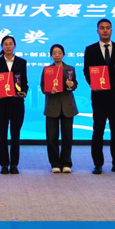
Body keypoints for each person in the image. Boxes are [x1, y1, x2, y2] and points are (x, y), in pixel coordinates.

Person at [83, 19, 115, 175]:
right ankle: (98, 164)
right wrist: (93, 83)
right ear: (97, 31)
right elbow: (86, 70)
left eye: (108, 28)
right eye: (102, 28)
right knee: (98, 131)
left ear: (111, 30)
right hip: (99, 97)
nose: (105, 30)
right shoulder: (90, 49)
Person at [0, 36, 28, 175]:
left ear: (14, 46)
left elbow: (24, 82)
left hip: (17, 102)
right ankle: (4, 164)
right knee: (2, 134)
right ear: (2, 46)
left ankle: (14, 164)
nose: (8, 46)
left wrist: (24, 92)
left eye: (10, 44)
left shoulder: (21, 62)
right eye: (5, 44)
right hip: (1, 102)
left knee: (15, 134)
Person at [41, 44, 78, 174]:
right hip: (52, 105)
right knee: (52, 137)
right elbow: (43, 87)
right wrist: (49, 91)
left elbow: (75, 84)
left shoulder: (70, 69)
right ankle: (55, 163)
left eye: (59, 52)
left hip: (67, 105)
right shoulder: (47, 70)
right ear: (51, 55)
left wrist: (72, 84)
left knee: (67, 137)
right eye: (54, 53)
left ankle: (66, 163)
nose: (57, 55)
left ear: (63, 54)